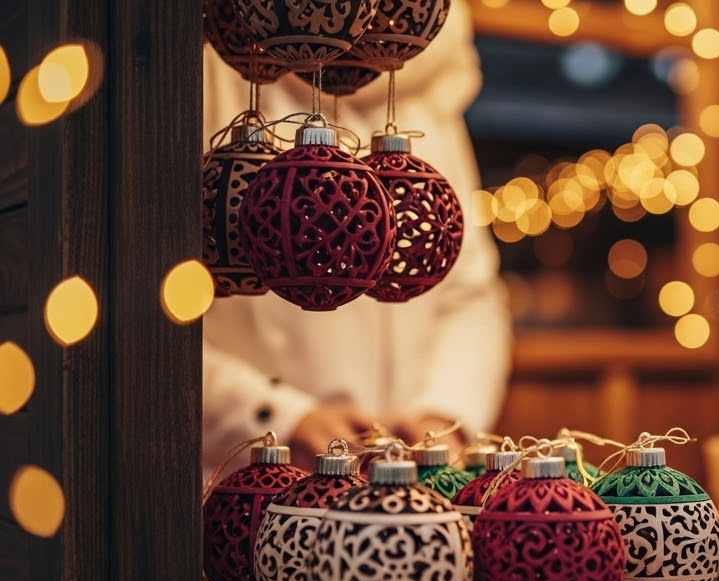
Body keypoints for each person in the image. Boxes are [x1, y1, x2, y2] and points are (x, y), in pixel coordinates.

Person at [201, 1, 510, 473]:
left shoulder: (424, 89)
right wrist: (275, 416)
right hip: (249, 480)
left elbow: (470, 292)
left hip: (403, 486)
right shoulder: (213, 67)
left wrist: (442, 415)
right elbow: (155, 307)